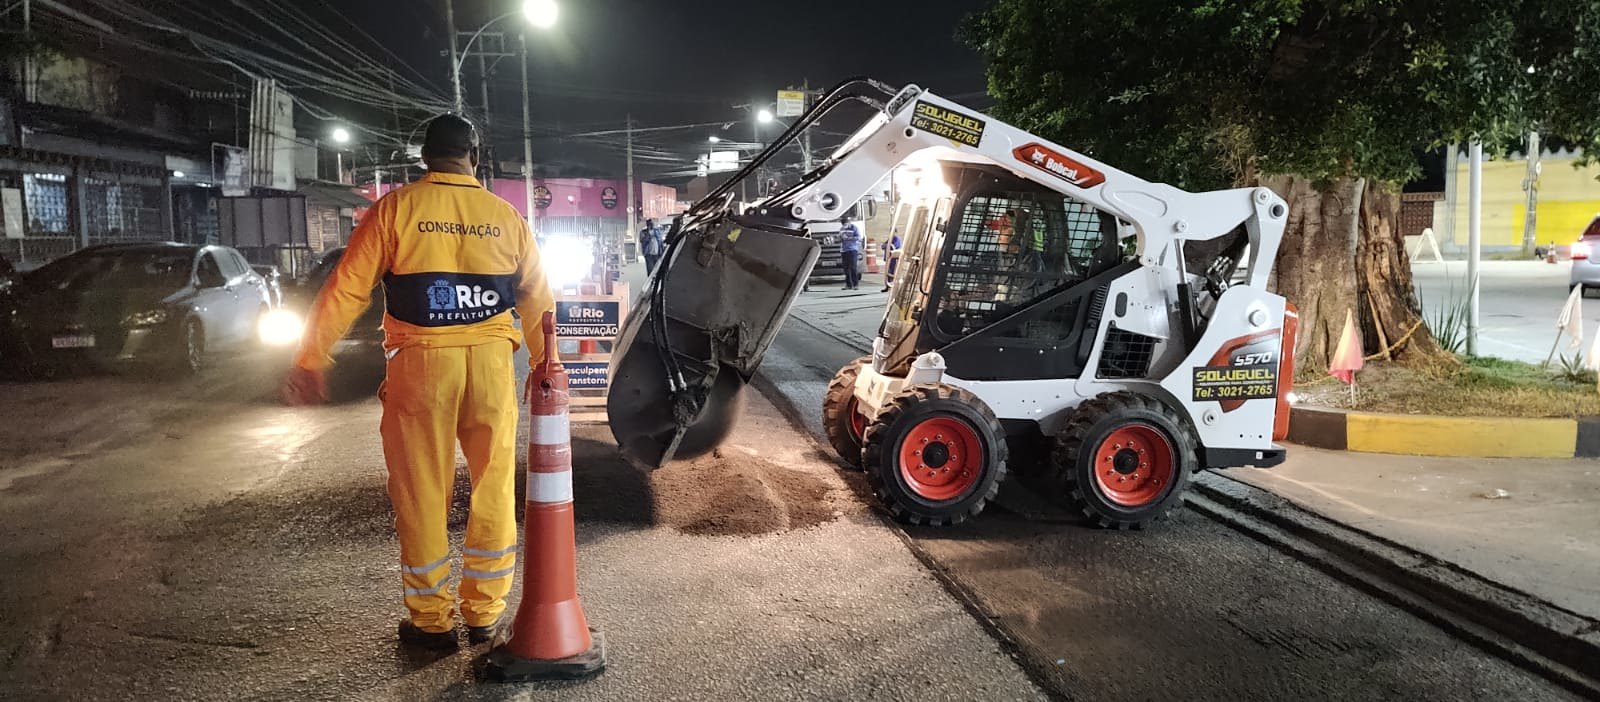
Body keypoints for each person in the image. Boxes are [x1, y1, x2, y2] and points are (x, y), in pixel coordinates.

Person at [280, 114, 555, 651]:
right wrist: (545, 368)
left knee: (421, 492)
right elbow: (538, 301)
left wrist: (311, 358)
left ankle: (431, 621)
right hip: (491, 366)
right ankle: (483, 613)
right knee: (493, 485)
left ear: (425, 158)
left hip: (422, 367)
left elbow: (347, 290)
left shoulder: (395, 210)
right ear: (474, 156)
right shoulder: (506, 218)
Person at [838, 220, 863, 290]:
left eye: (846, 224)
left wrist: (849, 238)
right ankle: (848, 284)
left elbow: (858, 237)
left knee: (853, 267)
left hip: (852, 249)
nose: (844, 226)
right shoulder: (842, 229)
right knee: (846, 268)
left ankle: (855, 284)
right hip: (844, 250)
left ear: (849, 223)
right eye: (843, 224)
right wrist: (840, 237)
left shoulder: (854, 228)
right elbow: (839, 238)